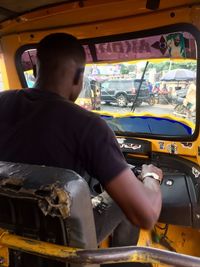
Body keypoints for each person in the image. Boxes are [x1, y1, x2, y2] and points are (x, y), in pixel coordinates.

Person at [0, 33, 163, 247]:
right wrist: (151, 177)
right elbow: (146, 215)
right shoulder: (87, 126)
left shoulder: (3, 101)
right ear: (79, 77)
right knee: (128, 191)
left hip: (7, 233)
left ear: (36, 70)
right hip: (63, 243)